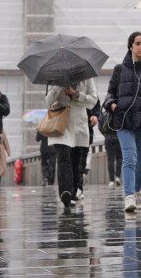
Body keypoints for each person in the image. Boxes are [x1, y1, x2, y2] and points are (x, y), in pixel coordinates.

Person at [104, 31, 141, 213]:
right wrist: (112, 105)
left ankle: (137, 191)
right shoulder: (119, 70)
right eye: (138, 43)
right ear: (130, 46)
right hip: (123, 120)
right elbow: (110, 93)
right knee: (129, 157)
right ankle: (129, 195)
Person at [45, 79, 99, 207]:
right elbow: (48, 101)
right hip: (60, 124)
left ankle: (73, 191)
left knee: (75, 161)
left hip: (79, 125)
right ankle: (65, 192)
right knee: (63, 158)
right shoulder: (55, 78)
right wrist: (59, 87)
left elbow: (93, 101)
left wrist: (76, 95)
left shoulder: (87, 78)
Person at [100, 112, 122, 187]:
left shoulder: (104, 114)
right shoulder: (119, 113)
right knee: (119, 158)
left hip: (108, 138)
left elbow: (100, 127)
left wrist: (106, 135)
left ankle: (111, 180)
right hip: (118, 136)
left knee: (110, 159)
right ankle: (118, 177)